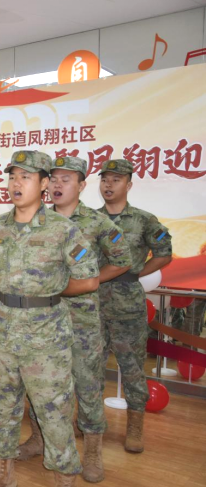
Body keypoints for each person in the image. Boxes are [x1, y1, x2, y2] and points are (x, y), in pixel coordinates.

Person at [0, 151, 100, 487]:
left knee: (54, 411)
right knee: (0, 406)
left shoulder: (63, 229)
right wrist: (11, 288)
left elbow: (89, 280)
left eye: (26, 177)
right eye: (13, 176)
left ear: (44, 184)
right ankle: (3, 473)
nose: (16, 184)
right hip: (5, 331)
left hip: (46, 337)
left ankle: (64, 480)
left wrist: (47, 292)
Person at [17, 156, 132, 483]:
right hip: (42, 318)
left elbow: (122, 259)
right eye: (53, 179)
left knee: (87, 383)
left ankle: (92, 449)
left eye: (66, 180)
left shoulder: (97, 223)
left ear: (81, 185)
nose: (57, 185)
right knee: (39, 382)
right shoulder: (36, 220)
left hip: (81, 319)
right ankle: (39, 439)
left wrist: (89, 280)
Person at [98, 159, 172, 453]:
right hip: (92, 304)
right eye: (105, 179)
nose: (109, 185)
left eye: (116, 180)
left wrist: (136, 273)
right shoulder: (91, 220)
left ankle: (134, 427)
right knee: (89, 367)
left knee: (131, 368)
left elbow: (164, 253)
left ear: (128, 185)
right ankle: (91, 422)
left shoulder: (144, 220)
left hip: (127, 305)